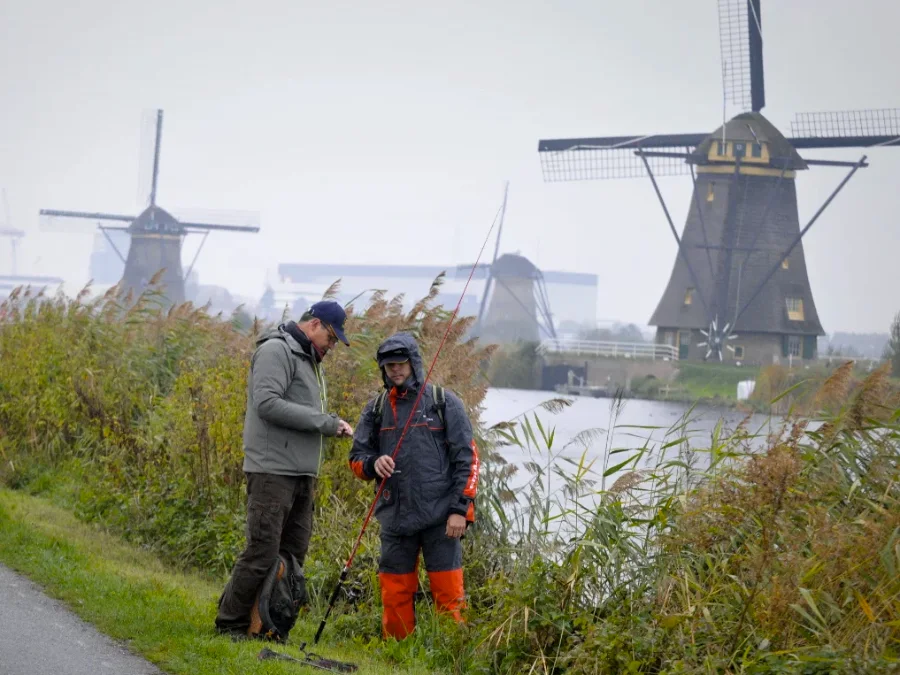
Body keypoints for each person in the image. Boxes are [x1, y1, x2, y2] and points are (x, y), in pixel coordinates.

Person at [215, 300, 354, 639]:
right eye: (331, 338)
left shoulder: (310, 359)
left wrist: (328, 425)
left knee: (291, 557)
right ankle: (229, 623)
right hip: (272, 470)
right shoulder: (276, 350)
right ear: (315, 325)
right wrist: (326, 423)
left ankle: (266, 626)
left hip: (302, 473)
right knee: (261, 552)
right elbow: (267, 403)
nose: (332, 346)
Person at [348, 332, 480, 640]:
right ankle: (396, 653)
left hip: (442, 518)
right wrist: (373, 464)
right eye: (389, 365)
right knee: (394, 593)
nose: (395, 370)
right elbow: (356, 458)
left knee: (449, 595)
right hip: (395, 517)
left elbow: (469, 459)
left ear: (413, 363)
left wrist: (460, 510)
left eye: (401, 363)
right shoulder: (375, 409)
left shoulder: (444, 402)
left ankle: (451, 654)